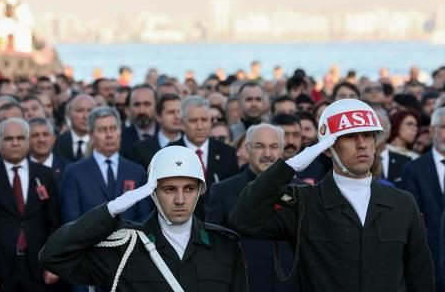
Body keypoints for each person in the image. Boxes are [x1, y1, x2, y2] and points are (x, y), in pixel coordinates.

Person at [231, 99, 435, 292]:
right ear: (328, 149)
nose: (362, 144)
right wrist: (288, 167)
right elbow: (245, 220)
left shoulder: (402, 203)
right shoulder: (303, 203)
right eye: (349, 137)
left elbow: (420, 278)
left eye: (368, 135)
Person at [40, 145, 249, 291]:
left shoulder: (224, 246)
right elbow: (52, 256)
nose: (180, 199)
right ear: (153, 193)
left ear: (199, 192)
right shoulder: (123, 248)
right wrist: (110, 210)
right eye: (169, 189)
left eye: (189, 189)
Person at [206, 124, 299, 292]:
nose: (267, 154)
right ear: (247, 149)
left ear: (282, 150)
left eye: (274, 146)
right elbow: (214, 246)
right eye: (259, 146)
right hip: (244, 284)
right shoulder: (222, 191)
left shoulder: (302, 191)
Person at [0, 117, 61, 292]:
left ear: (28, 142)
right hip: (0, 268)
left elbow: (54, 223)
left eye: (20, 138)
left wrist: (54, 264)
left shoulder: (45, 174)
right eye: (8, 139)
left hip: (38, 266)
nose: (15, 143)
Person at [60, 106, 152, 223]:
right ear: (92, 134)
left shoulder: (137, 171)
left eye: (113, 128)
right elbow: (72, 221)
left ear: (120, 131)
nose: (109, 135)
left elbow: (145, 216)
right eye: (102, 130)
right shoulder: (74, 173)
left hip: (131, 239)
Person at [169, 96, 239, 219]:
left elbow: (232, 194)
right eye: (193, 121)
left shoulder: (227, 153)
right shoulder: (169, 153)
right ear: (182, 124)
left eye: (204, 120)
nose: (200, 126)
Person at [402, 108, 445, 291]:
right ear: (431, 131)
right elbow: (409, 218)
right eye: (444, 127)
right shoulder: (413, 169)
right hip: (428, 261)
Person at [127, 93, 182, 169]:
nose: (177, 116)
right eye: (171, 112)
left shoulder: (191, 146)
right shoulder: (140, 149)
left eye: (180, 112)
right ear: (158, 116)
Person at [54, 94, 96, 162]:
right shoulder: (57, 143)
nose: (85, 116)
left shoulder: (103, 142)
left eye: (90, 111)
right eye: (79, 111)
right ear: (68, 114)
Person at [28, 117, 68, 188]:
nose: (41, 140)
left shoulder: (68, 169)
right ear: (27, 140)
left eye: (45, 134)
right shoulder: (19, 169)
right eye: (35, 135)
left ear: (54, 139)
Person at [120, 84, 158, 154]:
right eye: (137, 105)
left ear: (156, 106)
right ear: (128, 109)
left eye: (147, 104)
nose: (142, 111)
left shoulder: (166, 134)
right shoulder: (120, 139)